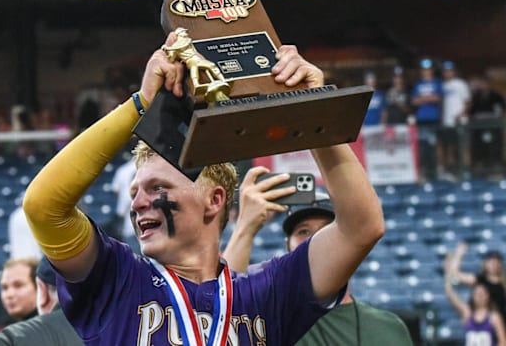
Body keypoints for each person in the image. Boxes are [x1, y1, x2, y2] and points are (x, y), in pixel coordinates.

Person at [21, 34, 385, 345]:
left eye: (157, 187)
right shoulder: (116, 278)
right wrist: (140, 105)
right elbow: (43, 206)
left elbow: (362, 227)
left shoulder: (268, 291)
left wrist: (315, 113)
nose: (139, 204)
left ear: (214, 200)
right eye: (134, 193)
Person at [223, 170, 413, 345]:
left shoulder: (389, 328)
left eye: (327, 231)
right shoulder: (271, 318)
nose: (315, 240)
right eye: (303, 232)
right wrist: (245, 227)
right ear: (288, 247)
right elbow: (220, 315)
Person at [0, 257, 83, 346]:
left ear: (40, 288)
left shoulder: (9, 339)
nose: (9, 294)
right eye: (4, 288)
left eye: (18, 285)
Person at [444, 253, 506, 346]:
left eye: (483, 294)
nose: (480, 296)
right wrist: (448, 272)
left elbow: (503, 342)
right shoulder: (468, 313)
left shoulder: (494, 317)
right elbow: (450, 293)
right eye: (477, 293)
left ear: (488, 296)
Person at [446, 242, 506, 325]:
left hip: (500, 323)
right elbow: (456, 275)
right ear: (485, 264)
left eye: (496, 262)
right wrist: (459, 255)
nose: (494, 265)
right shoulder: (480, 280)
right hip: (482, 323)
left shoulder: (503, 283)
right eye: (491, 262)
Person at [411, 58, 443, 181]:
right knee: (422, 146)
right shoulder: (418, 84)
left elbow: (438, 98)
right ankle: (425, 170)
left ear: (432, 71)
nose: (426, 72)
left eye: (428, 70)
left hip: (434, 118)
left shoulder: (437, 82)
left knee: (435, 145)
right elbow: (414, 101)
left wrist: (423, 99)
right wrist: (429, 98)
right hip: (421, 119)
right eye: (424, 70)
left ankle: (437, 170)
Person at [439, 60, 471, 177]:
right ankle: (452, 171)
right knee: (450, 148)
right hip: (447, 122)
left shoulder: (460, 84)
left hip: (460, 121)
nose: (448, 73)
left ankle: (467, 170)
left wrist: (461, 114)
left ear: (454, 71)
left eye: (450, 70)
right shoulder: (442, 85)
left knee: (463, 147)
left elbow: (468, 102)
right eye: (446, 71)